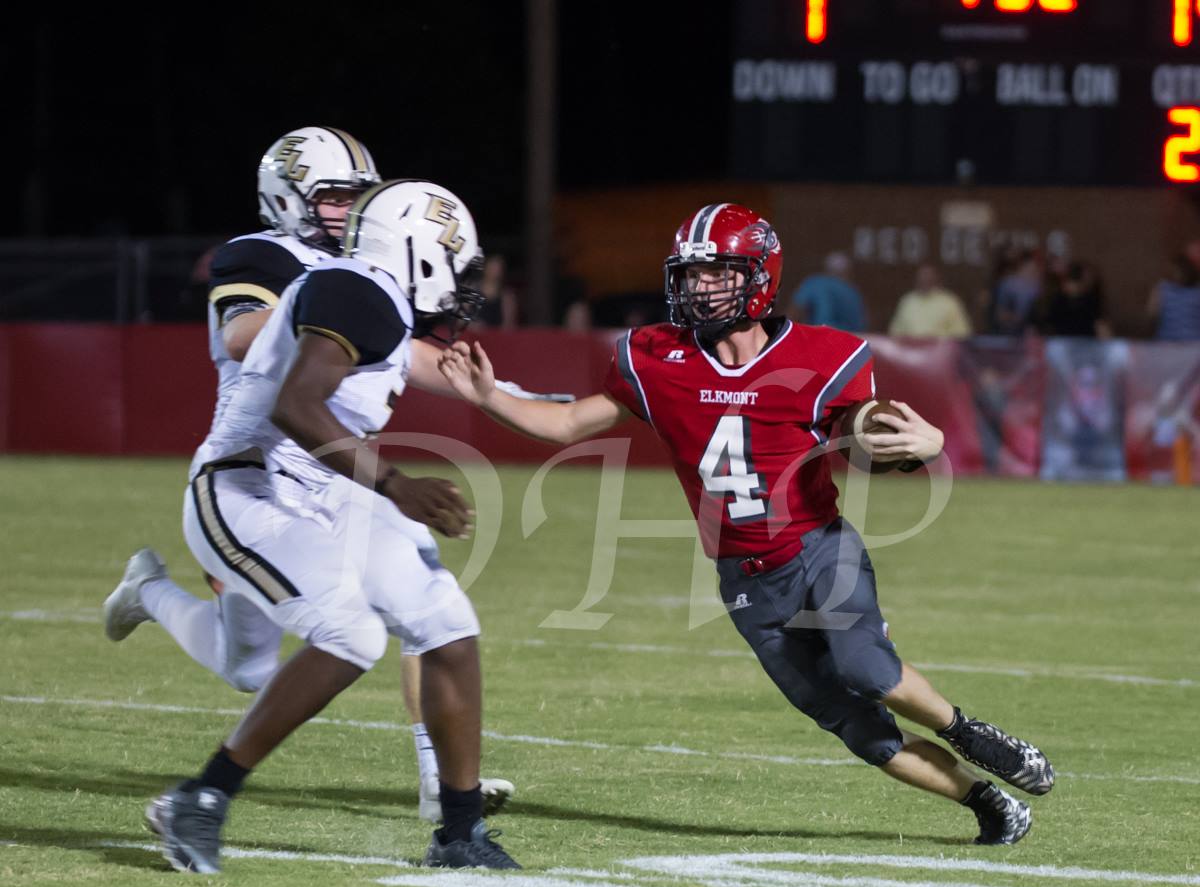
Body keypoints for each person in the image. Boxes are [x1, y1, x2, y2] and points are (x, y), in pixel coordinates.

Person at [440, 203, 1054, 846]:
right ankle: (988, 804)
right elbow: (566, 424)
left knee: (867, 669)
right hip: (744, 580)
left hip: (817, 547)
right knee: (861, 731)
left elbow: (861, 449)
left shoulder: (823, 356)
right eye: (691, 274)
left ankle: (971, 734)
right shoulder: (655, 357)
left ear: (760, 277)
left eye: (717, 274)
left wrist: (919, 449)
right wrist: (488, 397)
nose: (698, 288)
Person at [102, 130, 511, 832]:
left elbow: (402, 354)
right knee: (255, 666)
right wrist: (318, 305)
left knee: (426, 595)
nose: (345, 210)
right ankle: (152, 595)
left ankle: (445, 795)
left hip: (328, 476)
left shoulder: (366, 288)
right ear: (286, 198)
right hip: (257, 477)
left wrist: (529, 403)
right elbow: (244, 339)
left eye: (357, 197)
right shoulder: (290, 265)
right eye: (332, 196)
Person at [789, 251, 867, 331]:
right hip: (850, 340)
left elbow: (795, 310)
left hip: (821, 336)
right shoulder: (853, 293)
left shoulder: (816, 282)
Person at [888, 264, 972, 338]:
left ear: (936, 279)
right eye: (921, 277)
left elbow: (962, 334)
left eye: (928, 277)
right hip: (911, 353)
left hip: (940, 353)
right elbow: (895, 333)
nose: (924, 280)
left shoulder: (949, 302)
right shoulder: (907, 301)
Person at [1147, 254, 1200, 341]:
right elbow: (1152, 316)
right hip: (1172, 342)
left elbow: (1152, 315)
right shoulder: (1162, 288)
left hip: (1188, 343)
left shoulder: (1162, 289)